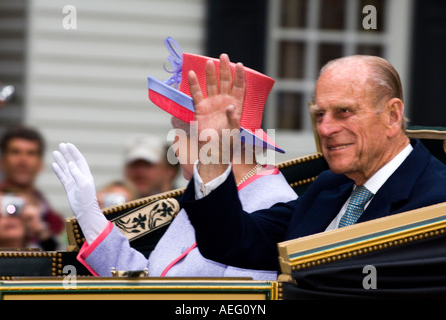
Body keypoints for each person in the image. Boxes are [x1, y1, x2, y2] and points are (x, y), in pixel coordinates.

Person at [51, 38, 297, 279]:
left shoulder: (273, 204)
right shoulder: (204, 193)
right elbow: (153, 281)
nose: (174, 147)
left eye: (178, 131)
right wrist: (90, 217)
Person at [179, 54, 446, 272]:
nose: (326, 129)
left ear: (392, 115)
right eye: (319, 115)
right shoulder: (330, 186)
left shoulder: (435, 202)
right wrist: (214, 150)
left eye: (344, 112)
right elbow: (233, 241)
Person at [0, 126, 64, 250]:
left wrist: (41, 230)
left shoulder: (54, 220)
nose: (23, 160)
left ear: (40, 165)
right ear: (1, 162)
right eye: (15, 152)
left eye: (31, 153)